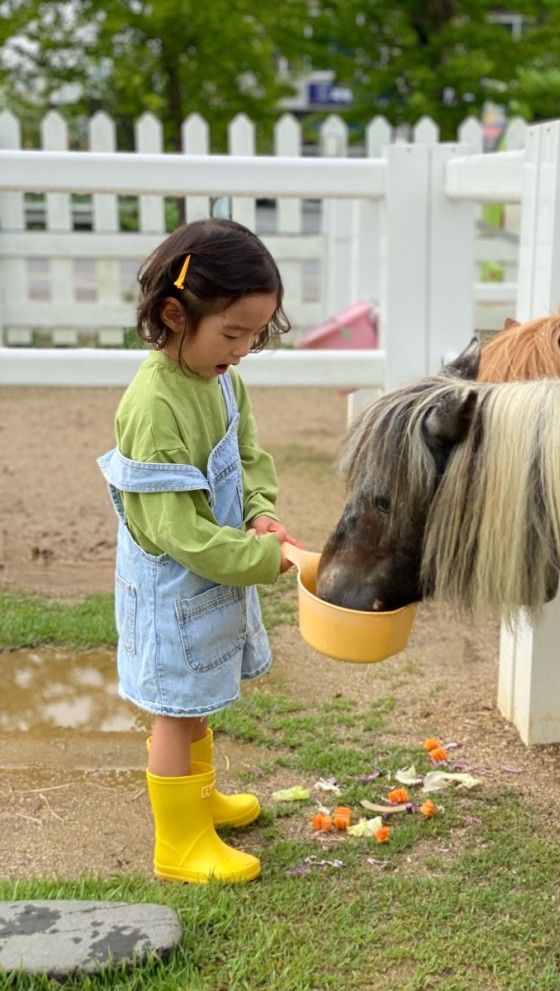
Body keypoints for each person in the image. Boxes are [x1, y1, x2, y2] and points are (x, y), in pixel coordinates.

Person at [98, 218, 299, 884]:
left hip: (210, 573)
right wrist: (263, 560)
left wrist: (260, 511)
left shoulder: (219, 379)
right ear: (174, 314)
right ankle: (177, 842)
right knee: (174, 708)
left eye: (255, 334)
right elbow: (173, 532)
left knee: (198, 697)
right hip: (171, 585)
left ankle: (200, 798)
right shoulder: (154, 405)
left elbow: (248, 454)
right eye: (232, 332)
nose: (242, 350)